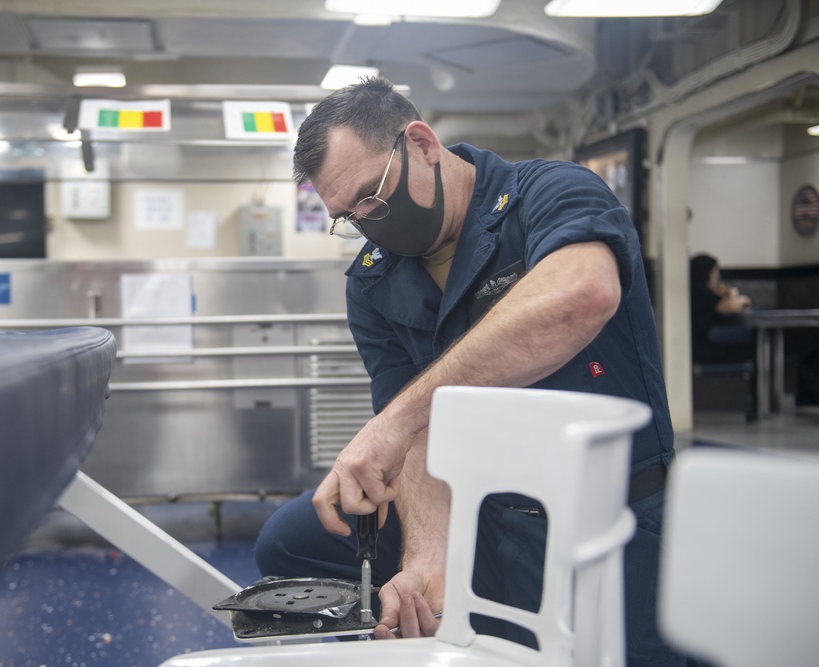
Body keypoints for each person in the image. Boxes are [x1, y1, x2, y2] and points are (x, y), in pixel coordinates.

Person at [254, 77, 682, 665]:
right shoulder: (375, 280)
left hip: (606, 517)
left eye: (371, 198)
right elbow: (422, 435)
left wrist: (395, 421)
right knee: (289, 540)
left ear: (423, 145)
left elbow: (581, 295)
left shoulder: (548, 192)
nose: (368, 223)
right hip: (486, 518)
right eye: (348, 217)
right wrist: (427, 559)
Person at [689, 253, 754, 365]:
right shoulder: (700, 292)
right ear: (706, 273)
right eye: (714, 271)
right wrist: (740, 298)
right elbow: (731, 307)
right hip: (702, 347)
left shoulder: (698, 291)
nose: (717, 276)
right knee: (747, 349)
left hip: (701, 344)